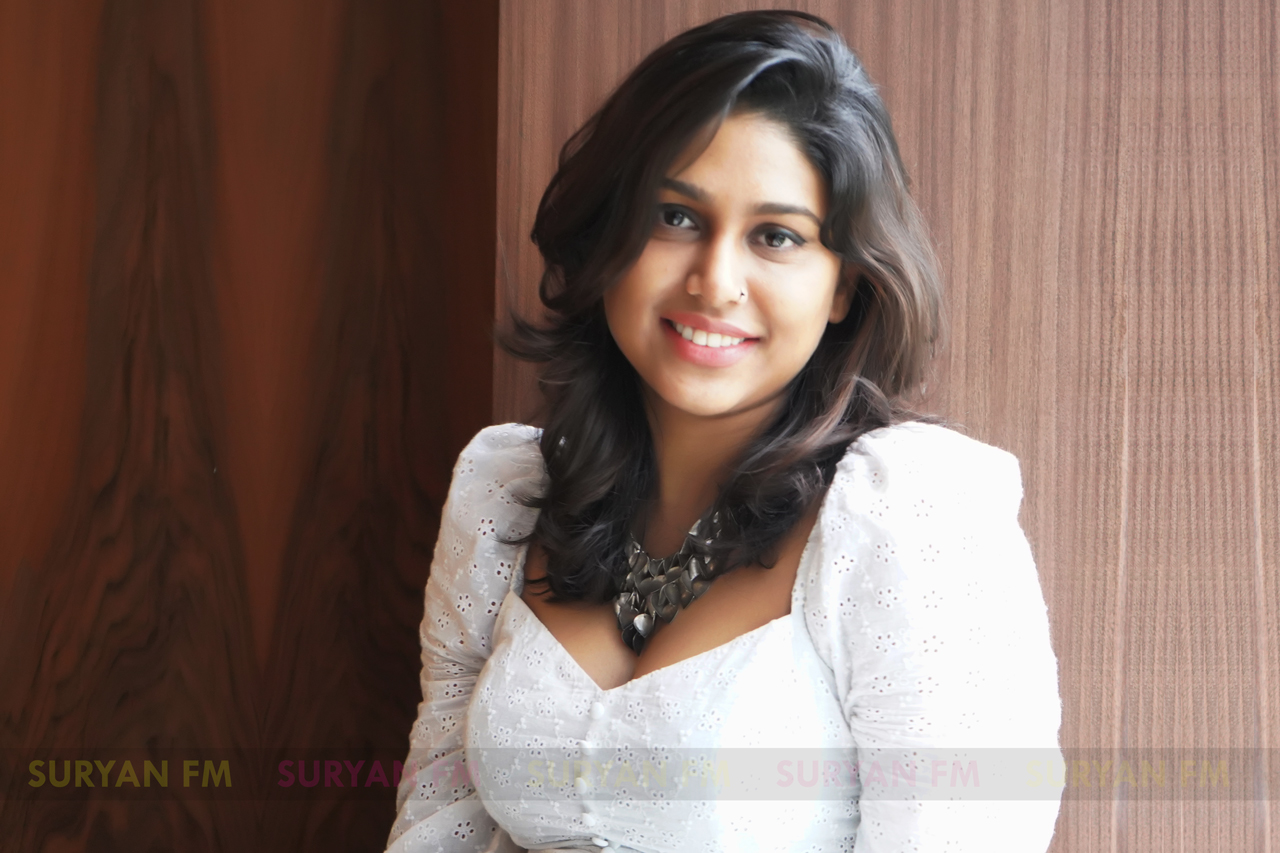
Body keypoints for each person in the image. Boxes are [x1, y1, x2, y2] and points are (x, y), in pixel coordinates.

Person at [385, 10, 1063, 853]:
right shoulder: (507, 493)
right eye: (676, 217)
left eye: (776, 236)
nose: (714, 281)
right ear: (608, 233)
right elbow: (437, 824)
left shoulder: (910, 516)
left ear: (845, 286)